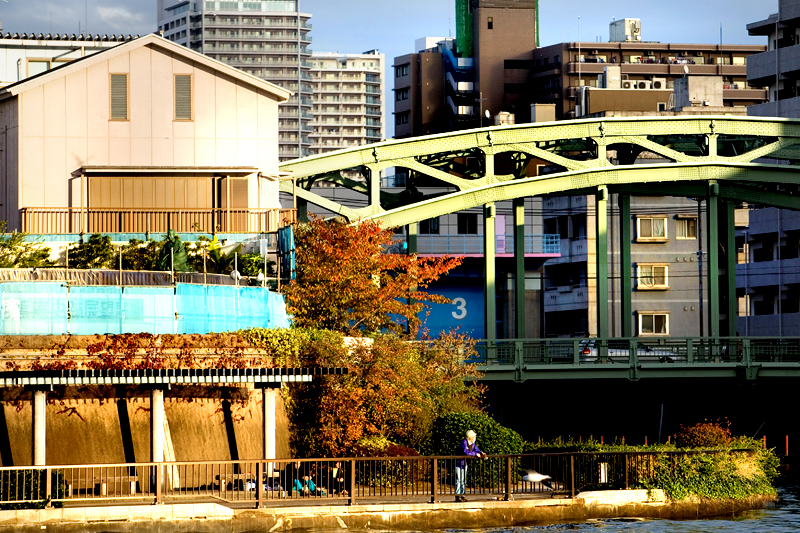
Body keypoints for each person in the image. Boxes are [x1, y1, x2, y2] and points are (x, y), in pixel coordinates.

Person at [455, 429, 486, 502]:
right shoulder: (464, 442)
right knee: (459, 480)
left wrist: (481, 453)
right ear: (471, 437)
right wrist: (475, 454)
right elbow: (466, 452)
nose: (475, 438)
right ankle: (458, 496)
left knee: (463, 480)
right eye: (474, 437)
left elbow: (476, 449)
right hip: (459, 463)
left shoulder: (472, 444)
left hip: (465, 463)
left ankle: (462, 495)